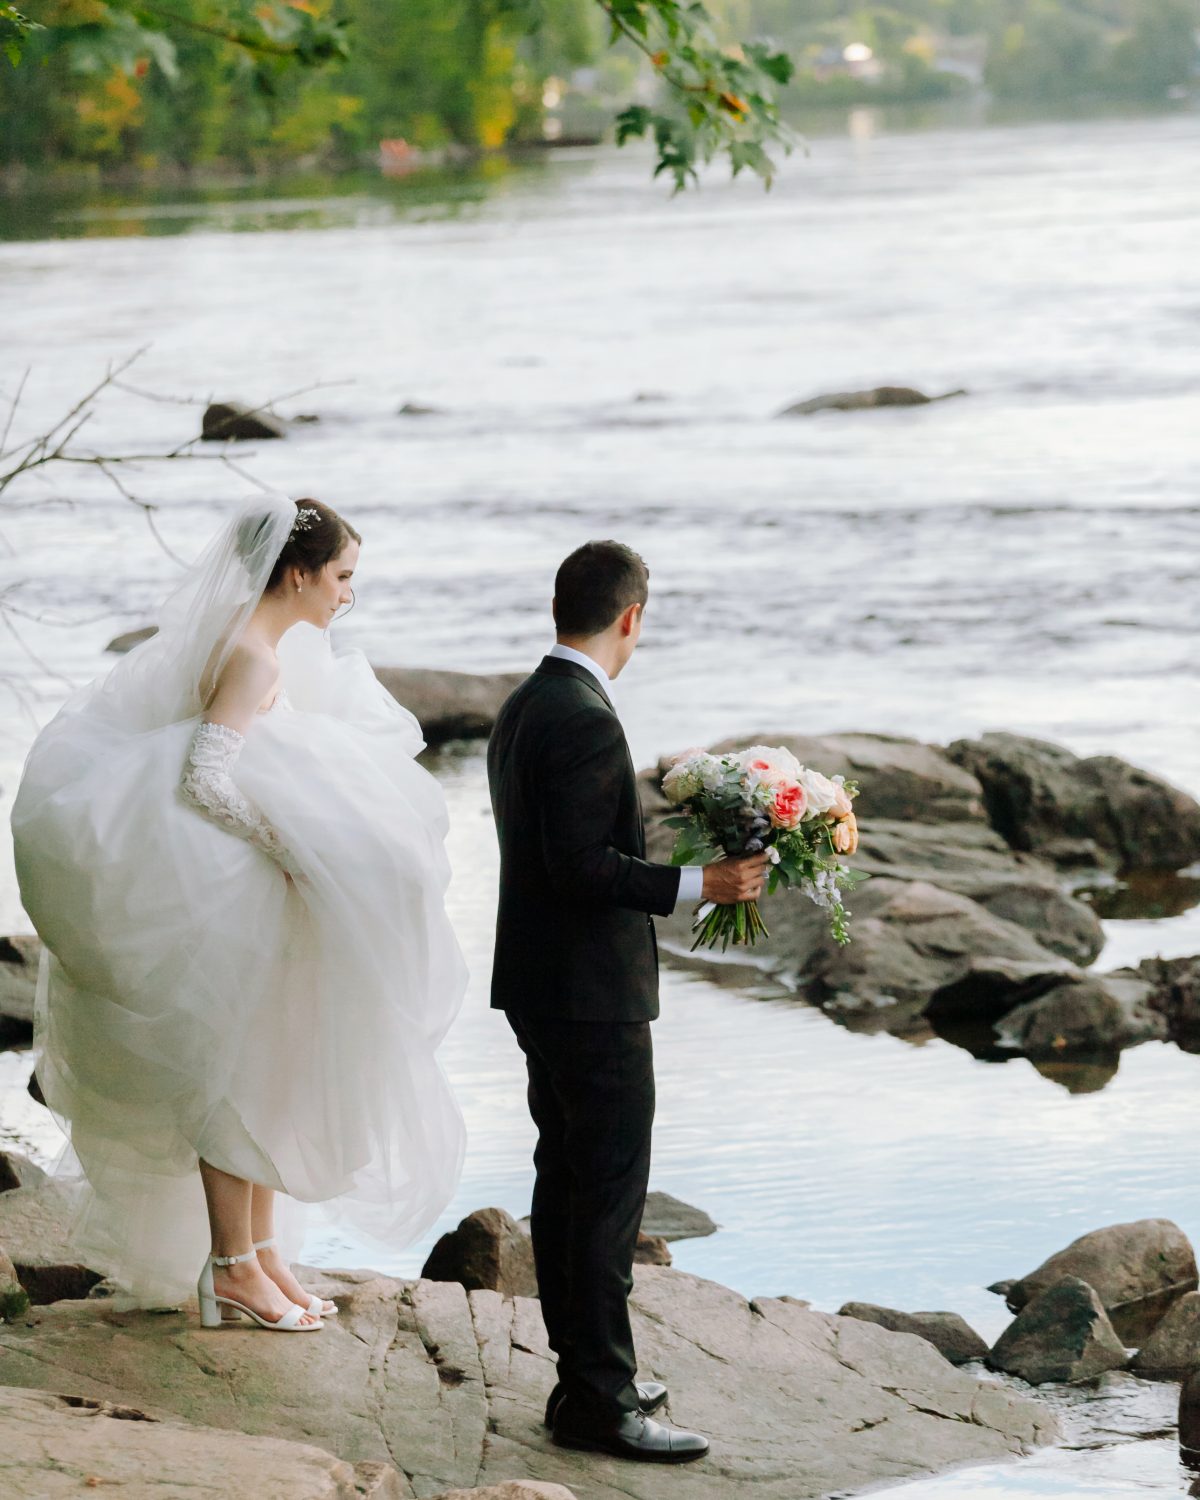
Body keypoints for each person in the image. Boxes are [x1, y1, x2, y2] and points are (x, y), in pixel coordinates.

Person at [12, 493, 466, 1330]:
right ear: (296, 573)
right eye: (341, 575)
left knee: (259, 1066)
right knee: (235, 1073)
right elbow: (204, 776)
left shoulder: (246, 638)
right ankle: (230, 1270)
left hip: (227, 883)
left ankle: (260, 1259)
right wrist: (295, 848)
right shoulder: (254, 656)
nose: (347, 594)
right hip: (229, 889)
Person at [487, 540, 767, 1462]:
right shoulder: (585, 717)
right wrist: (700, 885)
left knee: (567, 1186)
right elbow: (578, 866)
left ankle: (586, 1386)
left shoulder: (526, 704)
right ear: (632, 617)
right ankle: (603, 1402)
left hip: (540, 986)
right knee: (604, 1199)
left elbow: (551, 851)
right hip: (590, 998)